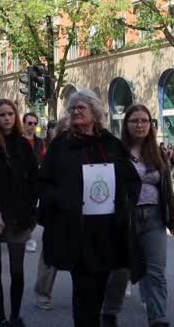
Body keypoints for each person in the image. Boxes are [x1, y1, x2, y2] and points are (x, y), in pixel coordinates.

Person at [38, 89, 142, 327]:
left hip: (106, 232)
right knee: (83, 290)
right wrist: (61, 200)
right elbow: (42, 183)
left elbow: (131, 181)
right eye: (73, 108)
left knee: (99, 287)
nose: (75, 112)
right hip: (76, 231)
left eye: (81, 108)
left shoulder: (111, 145)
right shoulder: (60, 146)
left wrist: (125, 205)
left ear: (94, 113)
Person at [101, 104, 174, 327]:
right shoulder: (116, 152)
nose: (140, 125)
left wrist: (171, 162)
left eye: (144, 121)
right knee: (121, 269)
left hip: (154, 216)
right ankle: (109, 312)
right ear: (126, 125)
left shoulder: (156, 151)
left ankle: (158, 319)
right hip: (126, 216)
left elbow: (162, 181)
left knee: (156, 271)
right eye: (135, 121)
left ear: (150, 125)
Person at [0, 99, 38, 327]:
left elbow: (33, 179)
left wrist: (32, 210)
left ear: (16, 116)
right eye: (2, 114)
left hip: (19, 216)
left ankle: (15, 314)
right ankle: (2, 317)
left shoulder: (23, 144)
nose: (6, 118)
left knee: (17, 271)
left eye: (10, 114)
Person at [34, 116, 69, 311]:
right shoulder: (53, 152)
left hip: (79, 212)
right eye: (66, 129)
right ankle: (42, 294)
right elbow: (43, 182)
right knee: (49, 256)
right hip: (56, 212)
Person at [22, 112, 45, 253]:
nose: (32, 126)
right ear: (23, 124)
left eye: (35, 123)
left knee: (35, 211)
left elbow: (43, 158)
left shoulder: (39, 142)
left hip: (35, 180)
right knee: (24, 208)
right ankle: (28, 237)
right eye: (29, 123)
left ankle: (27, 233)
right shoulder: (17, 140)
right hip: (20, 181)